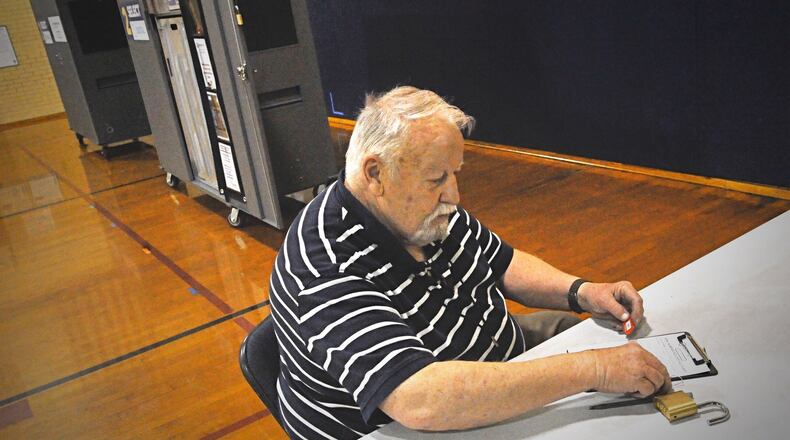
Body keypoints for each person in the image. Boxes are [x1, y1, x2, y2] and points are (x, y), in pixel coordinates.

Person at [267, 86, 671, 439]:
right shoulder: (323, 265)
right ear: (375, 173)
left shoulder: (417, 210)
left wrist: (581, 292)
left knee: (590, 338)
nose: (454, 196)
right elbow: (419, 400)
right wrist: (594, 371)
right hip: (410, 422)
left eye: (454, 174)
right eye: (437, 178)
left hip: (490, 361)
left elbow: (501, 263)